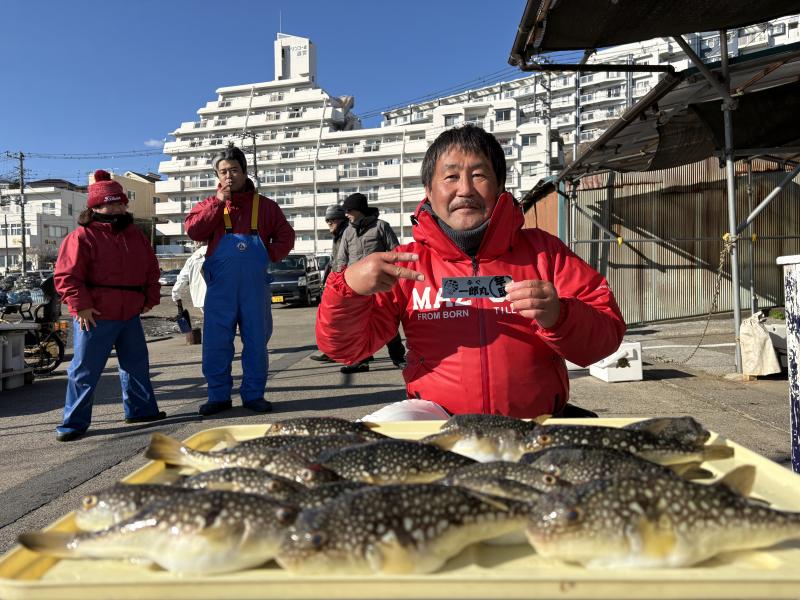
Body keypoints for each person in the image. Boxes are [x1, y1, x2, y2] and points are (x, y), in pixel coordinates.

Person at [316, 125, 626, 418]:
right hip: (440, 432)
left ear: (500, 185)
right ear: (428, 189)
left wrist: (560, 315)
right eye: (450, 177)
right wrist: (347, 289)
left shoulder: (546, 252)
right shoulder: (405, 264)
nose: (465, 189)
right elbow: (346, 350)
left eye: (479, 175)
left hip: (536, 428)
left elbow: (605, 339)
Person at [53, 170, 164, 441]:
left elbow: (151, 268)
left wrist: (150, 298)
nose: (116, 207)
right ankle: (73, 424)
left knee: (136, 365)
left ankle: (140, 410)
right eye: (109, 202)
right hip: (96, 314)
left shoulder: (135, 236)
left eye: (120, 202)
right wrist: (80, 306)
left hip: (130, 313)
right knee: (85, 370)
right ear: (95, 206)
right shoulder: (82, 237)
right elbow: (67, 276)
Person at [185, 144, 294, 416]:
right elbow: (193, 230)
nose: (229, 176)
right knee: (216, 344)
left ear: (245, 172)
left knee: (256, 343)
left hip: (255, 289)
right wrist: (218, 203)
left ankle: (253, 395)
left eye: (234, 169)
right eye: (223, 172)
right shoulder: (209, 205)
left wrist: (267, 254)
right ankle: (218, 396)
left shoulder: (267, 207)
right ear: (217, 176)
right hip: (220, 289)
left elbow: (286, 237)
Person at [333, 192, 406, 374]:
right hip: (355, 286)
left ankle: (398, 358)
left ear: (359, 210)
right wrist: (337, 281)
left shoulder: (381, 226)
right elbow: (342, 259)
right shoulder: (348, 231)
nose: (346, 214)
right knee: (357, 324)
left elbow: (395, 253)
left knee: (385, 321)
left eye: (349, 210)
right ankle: (360, 361)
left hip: (380, 284)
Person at [309, 204, 347, 363]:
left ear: (341, 219)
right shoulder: (338, 235)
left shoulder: (347, 232)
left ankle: (396, 355)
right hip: (337, 281)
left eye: (332, 220)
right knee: (333, 320)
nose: (329, 224)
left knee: (341, 321)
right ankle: (332, 351)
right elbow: (334, 260)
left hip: (347, 281)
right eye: (327, 221)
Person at [171, 243, 207, 311]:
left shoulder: (192, 260)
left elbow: (179, 284)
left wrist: (179, 306)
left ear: (196, 242)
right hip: (225, 299)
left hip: (202, 301)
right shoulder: (223, 253)